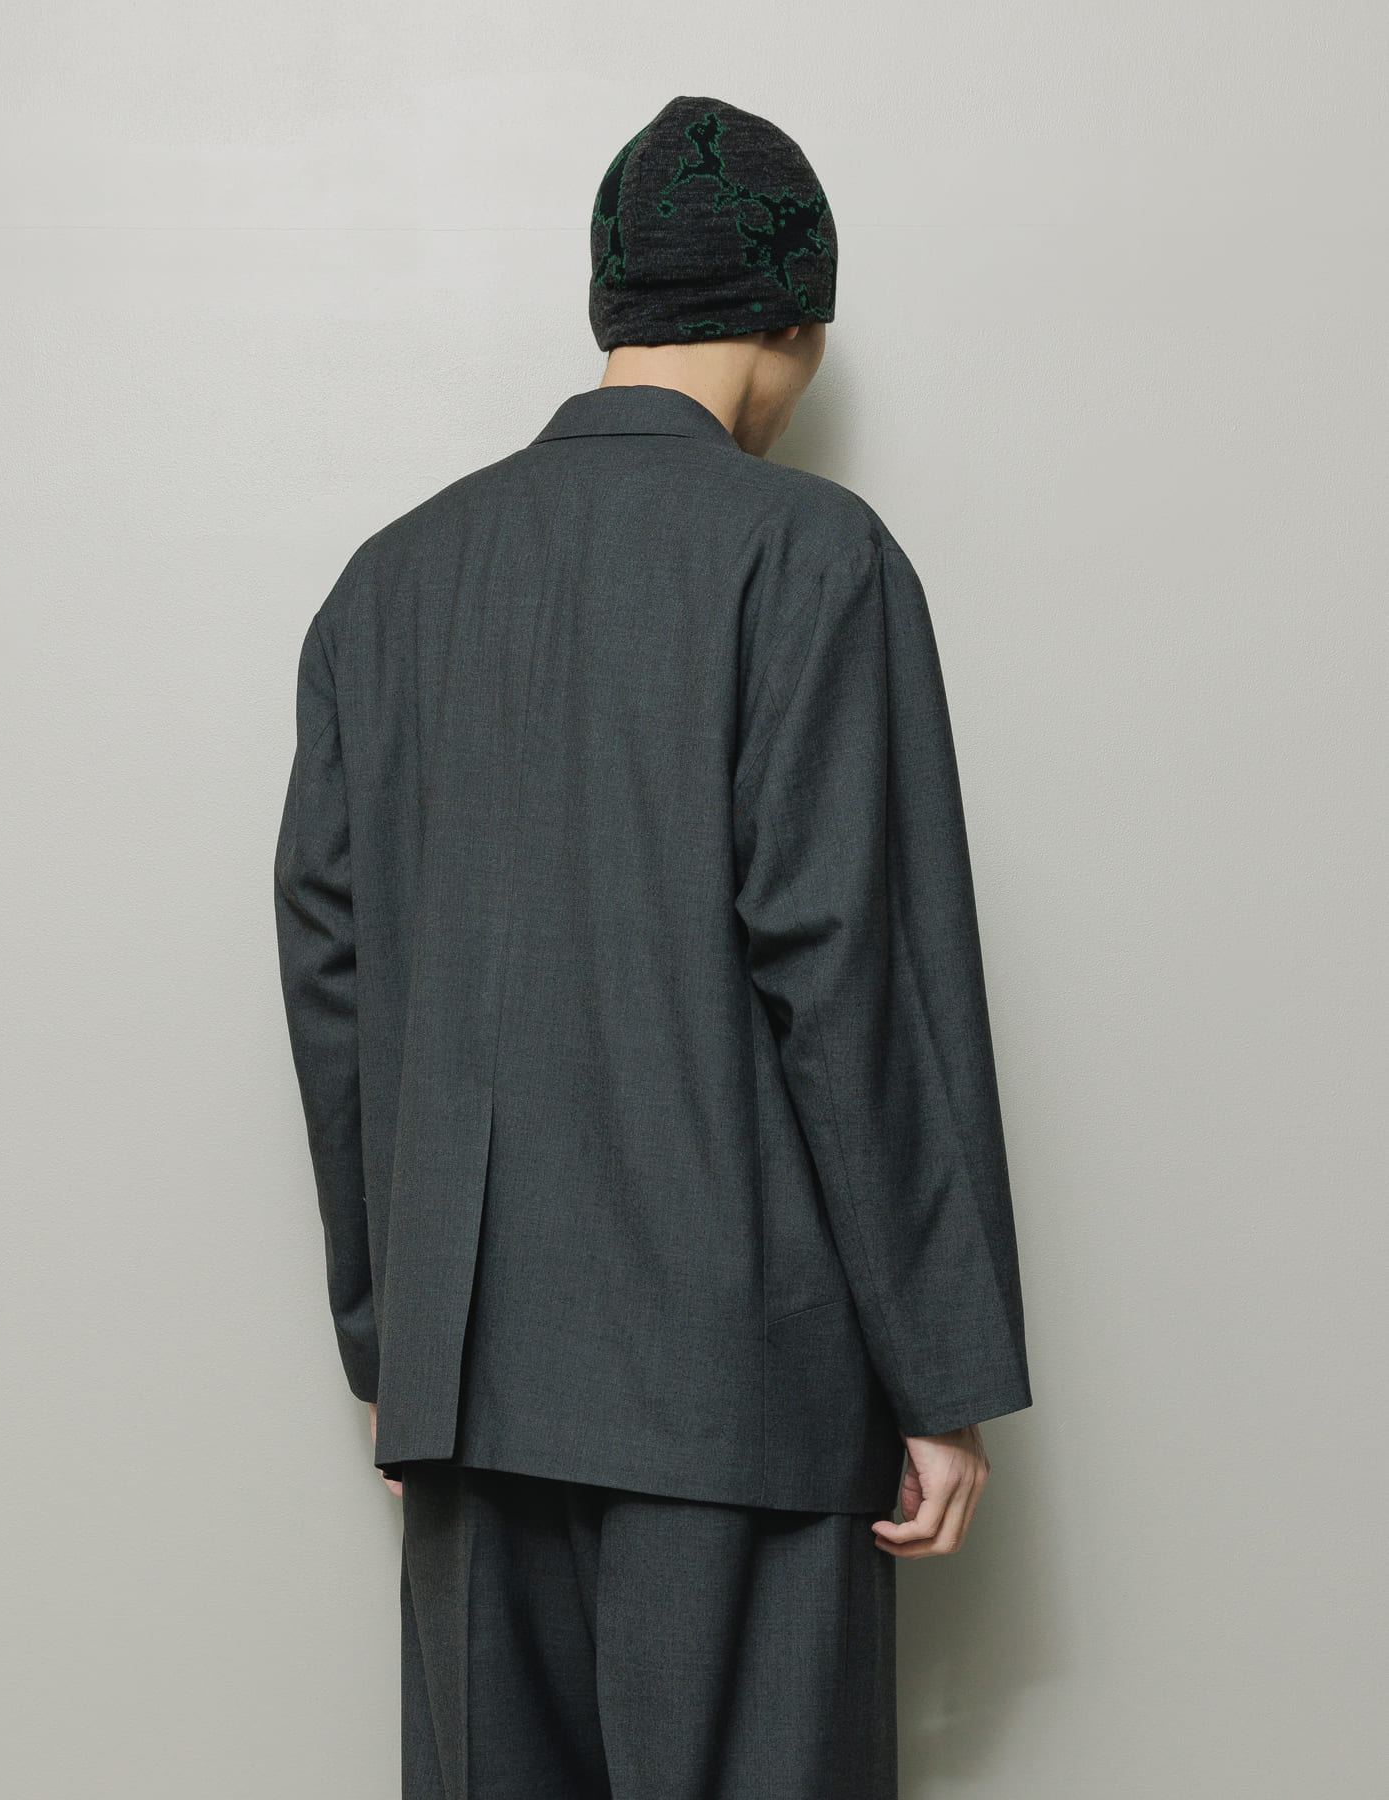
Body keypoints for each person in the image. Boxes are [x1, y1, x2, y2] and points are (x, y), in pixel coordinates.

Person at [275, 93, 1032, 1800]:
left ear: (610, 306)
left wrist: (399, 1353)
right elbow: (851, 971)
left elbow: (333, 983)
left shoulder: (387, 585)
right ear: (794, 324)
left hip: (473, 1385)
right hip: (741, 1386)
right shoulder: (813, 556)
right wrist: (940, 1375)